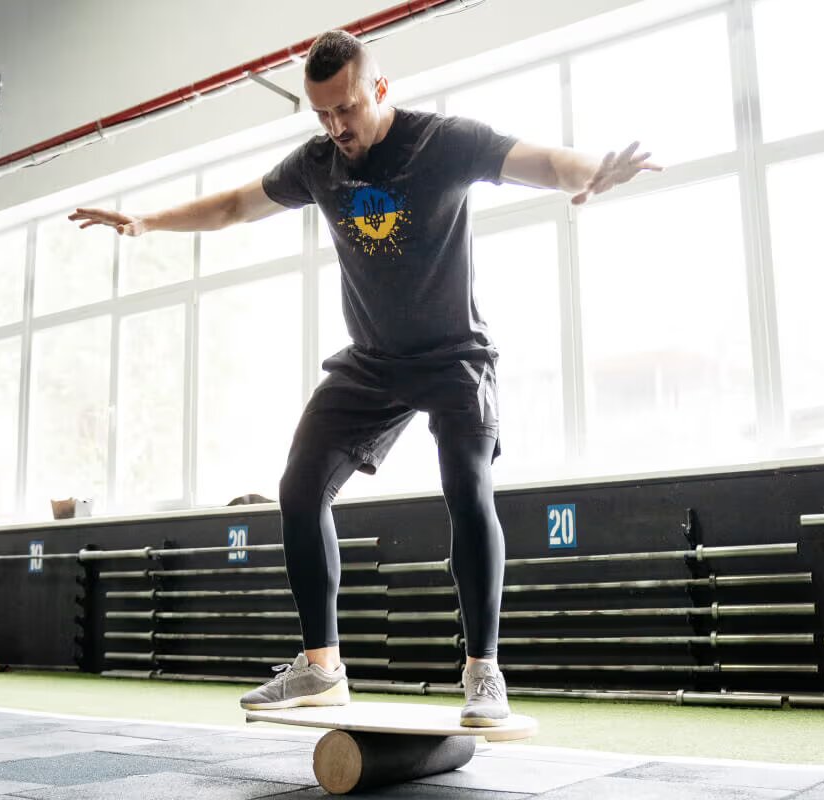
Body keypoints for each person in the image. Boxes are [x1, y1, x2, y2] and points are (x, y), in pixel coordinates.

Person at [70, 30, 660, 727]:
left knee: (467, 486)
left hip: (452, 356)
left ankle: (483, 672)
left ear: (379, 89)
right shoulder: (320, 164)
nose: (336, 127)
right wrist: (147, 220)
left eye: (345, 109)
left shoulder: (441, 141)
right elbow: (233, 205)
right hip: (373, 362)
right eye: (321, 114)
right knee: (298, 488)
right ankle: (321, 671)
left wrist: (590, 172)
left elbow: (539, 160)